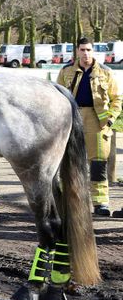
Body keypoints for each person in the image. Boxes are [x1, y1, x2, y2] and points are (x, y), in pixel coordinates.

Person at [56, 37, 121, 216]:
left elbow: (117, 99)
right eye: (82, 50)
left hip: (97, 121)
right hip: (72, 118)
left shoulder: (105, 72)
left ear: (93, 51)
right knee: (70, 161)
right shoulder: (66, 71)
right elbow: (57, 96)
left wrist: (109, 120)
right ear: (77, 51)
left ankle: (100, 203)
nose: (86, 53)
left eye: (89, 50)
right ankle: (69, 202)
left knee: (98, 162)